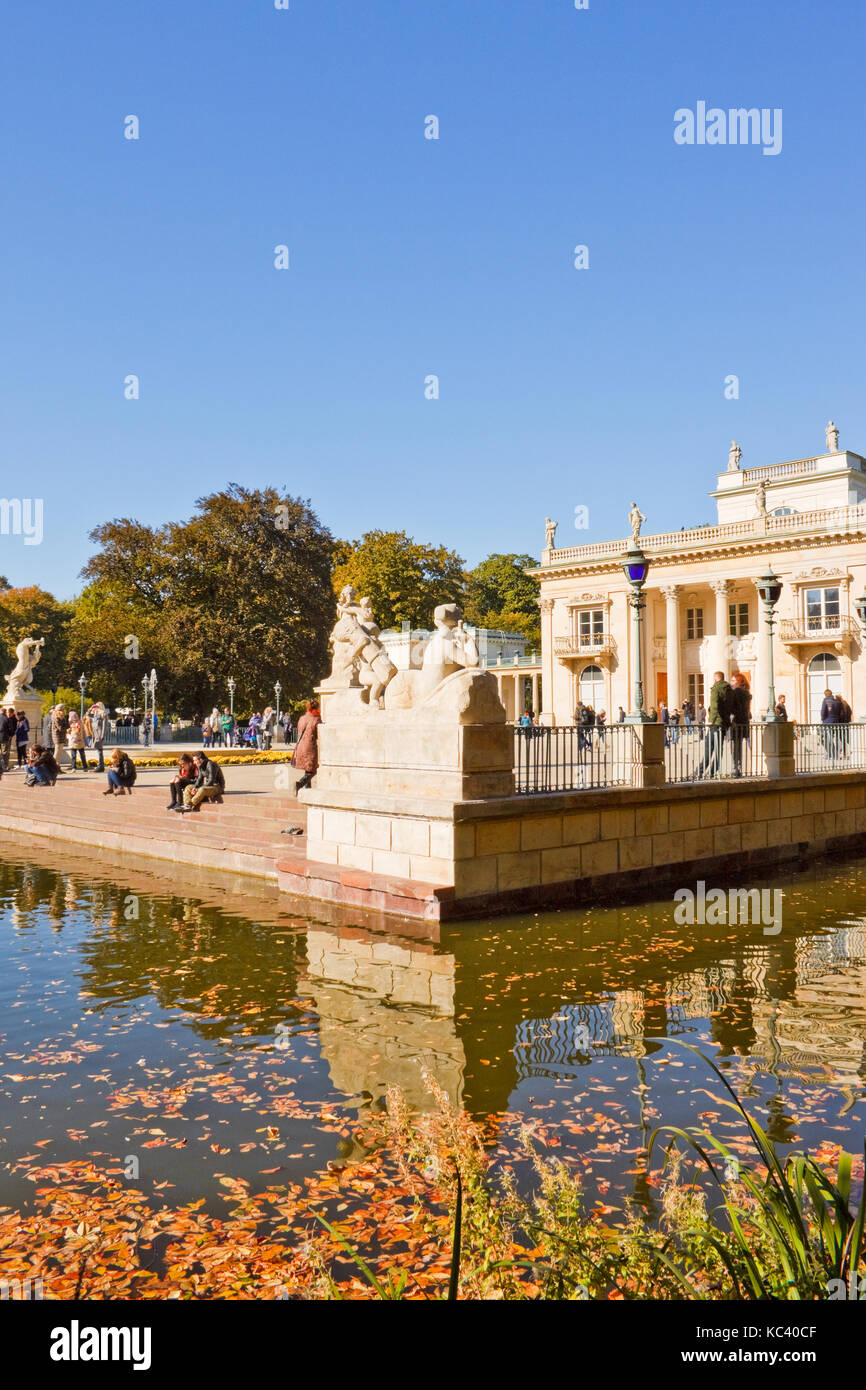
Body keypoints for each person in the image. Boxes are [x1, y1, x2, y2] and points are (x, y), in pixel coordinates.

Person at [696, 671, 732, 779]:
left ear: (715, 679)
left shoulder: (716, 688)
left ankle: (699, 772)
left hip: (715, 724)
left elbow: (715, 705)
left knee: (709, 749)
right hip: (723, 724)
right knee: (718, 750)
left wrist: (711, 720)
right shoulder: (729, 689)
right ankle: (712, 771)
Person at [292, 699, 321, 793]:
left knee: (308, 767)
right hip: (309, 746)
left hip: (300, 745)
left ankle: (308, 789)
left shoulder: (302, 718)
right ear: (317, 707)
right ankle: (299, 784)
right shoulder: (316, 719)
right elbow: (318, 734)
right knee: (313, 770)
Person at [728, 671, 752, 777]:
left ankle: (735, 769)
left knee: (734, 747)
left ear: (738, 681)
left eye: (733, 680)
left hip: (736, 723)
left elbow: (731, 707)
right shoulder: (746, 693)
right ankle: (738, 768)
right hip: (744, 723)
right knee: (739, 747)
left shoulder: (735, 692)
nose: (731, 682)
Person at [820, 687, 843, 759]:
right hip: (836, 722)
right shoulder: (837, 702)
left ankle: (832, 754)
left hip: (827, 722)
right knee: (836, 738)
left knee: (827, 739)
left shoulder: (825, 700)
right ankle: (835, 754)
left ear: (825, 695)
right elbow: (841, 713)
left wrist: (822, 719)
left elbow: (823, 712)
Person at [89, 703, 108, 773]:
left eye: (97, 706)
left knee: (99, 750)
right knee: (98, 750)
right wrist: (91, 708)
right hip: (95, 734)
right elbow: (88, 715)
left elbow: (104, 726)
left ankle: (100, 766)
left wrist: (102, 735)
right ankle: (101, 766)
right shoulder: (95, 714)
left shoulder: (103, 714)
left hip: (99, 735)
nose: (95, 708)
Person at [50, 703, 69, 772]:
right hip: (57, 736)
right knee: (57, 753)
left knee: (59, 753)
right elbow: (60, 728)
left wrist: (67, 725)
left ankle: (57, 768)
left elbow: (66, 725)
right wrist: (67, 727)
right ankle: (52, 767)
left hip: (62, 736)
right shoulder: (56, 717)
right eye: (63, 709)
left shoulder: (62, 717)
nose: (64, 710)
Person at [0, 706, 17, 771]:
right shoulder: (7, 719)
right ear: (5, 712)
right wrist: (10, 736)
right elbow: (11, 730)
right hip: (5, 738)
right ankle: (4, 767)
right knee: (5, 753)